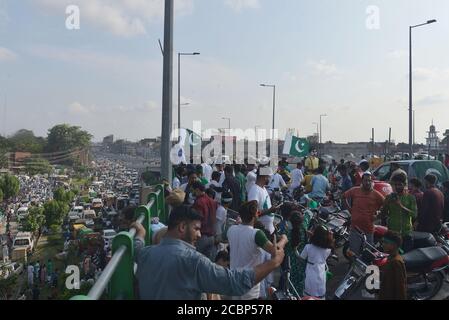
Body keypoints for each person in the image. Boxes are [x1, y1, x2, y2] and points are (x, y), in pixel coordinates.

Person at [132, 205, 285, 300]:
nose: (199, 235)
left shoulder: (146, 254)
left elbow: (136, 248)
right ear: (182, 228)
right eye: (196, 229)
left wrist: (140, 234)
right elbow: (235, 282)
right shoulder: (193, 261)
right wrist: (273, 263)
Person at [227, 201, 288, 300]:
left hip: (234, 279)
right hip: (249, 283)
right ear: (255, 215)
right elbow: (275, 252)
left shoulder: (231, 229)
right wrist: (283, 240)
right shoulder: (256, 234)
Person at [344, 172, 385, 254]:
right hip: (355, 228)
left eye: (369, 181)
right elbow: (343, 197)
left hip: (368, 229)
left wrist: (378, 215)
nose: (368, 182)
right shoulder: (355, 190)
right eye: (366, 180)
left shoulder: (376, 194)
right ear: (362, 181)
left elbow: (385, 205)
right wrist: (350, 210)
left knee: (367, 254)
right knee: (353, 253)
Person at [278, 206, 311, 296]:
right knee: (301, 282)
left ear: (290, 220)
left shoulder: (287, 233)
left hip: (290, 263)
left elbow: (280, 241)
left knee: (290, 283)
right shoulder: (304, 228)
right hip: (302, 262)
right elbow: (308, 216)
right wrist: (307, 210)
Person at [380, 173, 417, 252]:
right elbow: (383, 214)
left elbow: (414, 214)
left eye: (399, 184)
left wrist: (400, 206)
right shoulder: (389, 197)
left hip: (406, 233)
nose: (397, 187)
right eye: (395, 185)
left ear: (404, 184)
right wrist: (386, 204)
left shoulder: (410, 197)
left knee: (407, 258)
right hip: (393, 233)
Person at [300, 225, 334, 299]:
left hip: (310, 272)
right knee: (320, 292)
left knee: (308, 294)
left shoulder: (308, 247)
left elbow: (301, 258)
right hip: (321, 272)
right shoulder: (328, 249)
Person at [191, 181, 218, 260]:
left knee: (196, 261)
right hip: (211, 236)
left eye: (193, 190)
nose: (192, 193)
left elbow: (197, 220)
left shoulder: (199, 202)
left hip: (201, 236)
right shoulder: (212, 201)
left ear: (197, 190)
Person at [248, 166, 278, 235]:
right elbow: (252, 214)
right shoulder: (255, 191)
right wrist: (269, 211)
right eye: (269, 176)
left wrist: (272, 223)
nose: (270, 178)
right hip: (261, 232)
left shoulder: (263, 188)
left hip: (269, 230)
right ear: (264, 176)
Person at [378, 231, 407, 300]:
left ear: (394, 245)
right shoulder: (390, 257)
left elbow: (400, 288)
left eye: (386, 243)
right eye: (383, 242)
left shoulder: (396, 262)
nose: (383, 245)